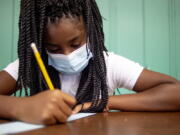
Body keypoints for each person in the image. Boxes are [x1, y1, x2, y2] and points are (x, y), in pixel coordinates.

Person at [0, 0, 180, 125]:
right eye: (53, 49)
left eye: (76, 44)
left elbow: (175, 93)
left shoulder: (109, 65)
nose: (67, 55)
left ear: (90, 30)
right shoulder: (30, 66)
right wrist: (20, 107)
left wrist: (104, 101)